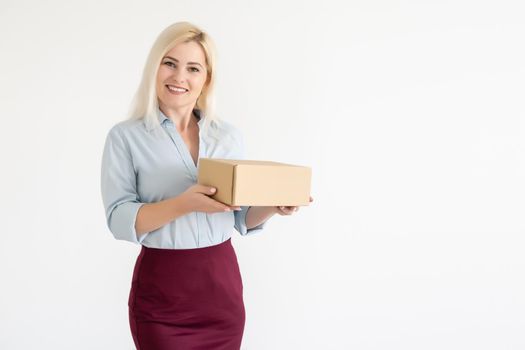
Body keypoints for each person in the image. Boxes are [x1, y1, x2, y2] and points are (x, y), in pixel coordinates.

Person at [100, 21, 312, 349]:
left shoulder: (227, 136)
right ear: (154, 67)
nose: (179, 77)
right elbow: (118, 220)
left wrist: (272, 206)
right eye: (169, 63)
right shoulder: (125, 137)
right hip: (162, 294)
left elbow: (240, 218)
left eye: (193, 68)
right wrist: (184, 204)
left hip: (221, 290)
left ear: (206, 78)